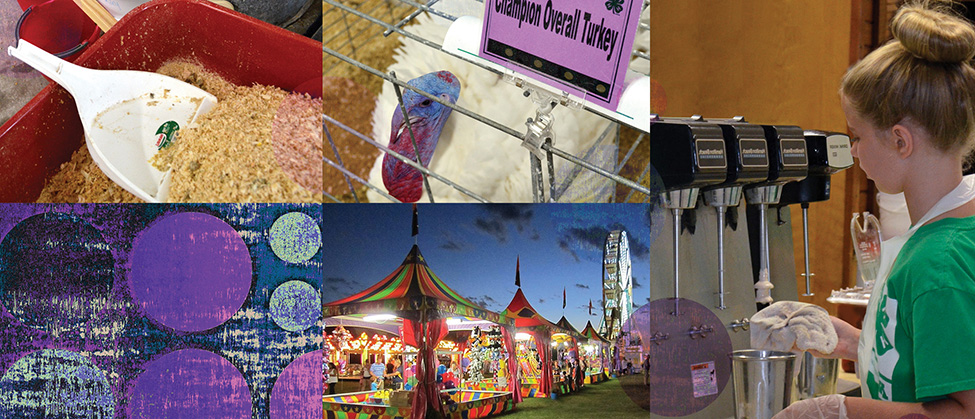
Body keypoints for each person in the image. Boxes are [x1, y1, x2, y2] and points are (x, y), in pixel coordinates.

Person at [775, 2, 975, 418]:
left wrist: (840, 409)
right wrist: (854, 341)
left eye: (859, 135)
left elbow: (962, 411)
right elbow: (927, 347)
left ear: (901, 141)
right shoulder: (942, 229)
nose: (854, 150)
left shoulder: (938, 265)